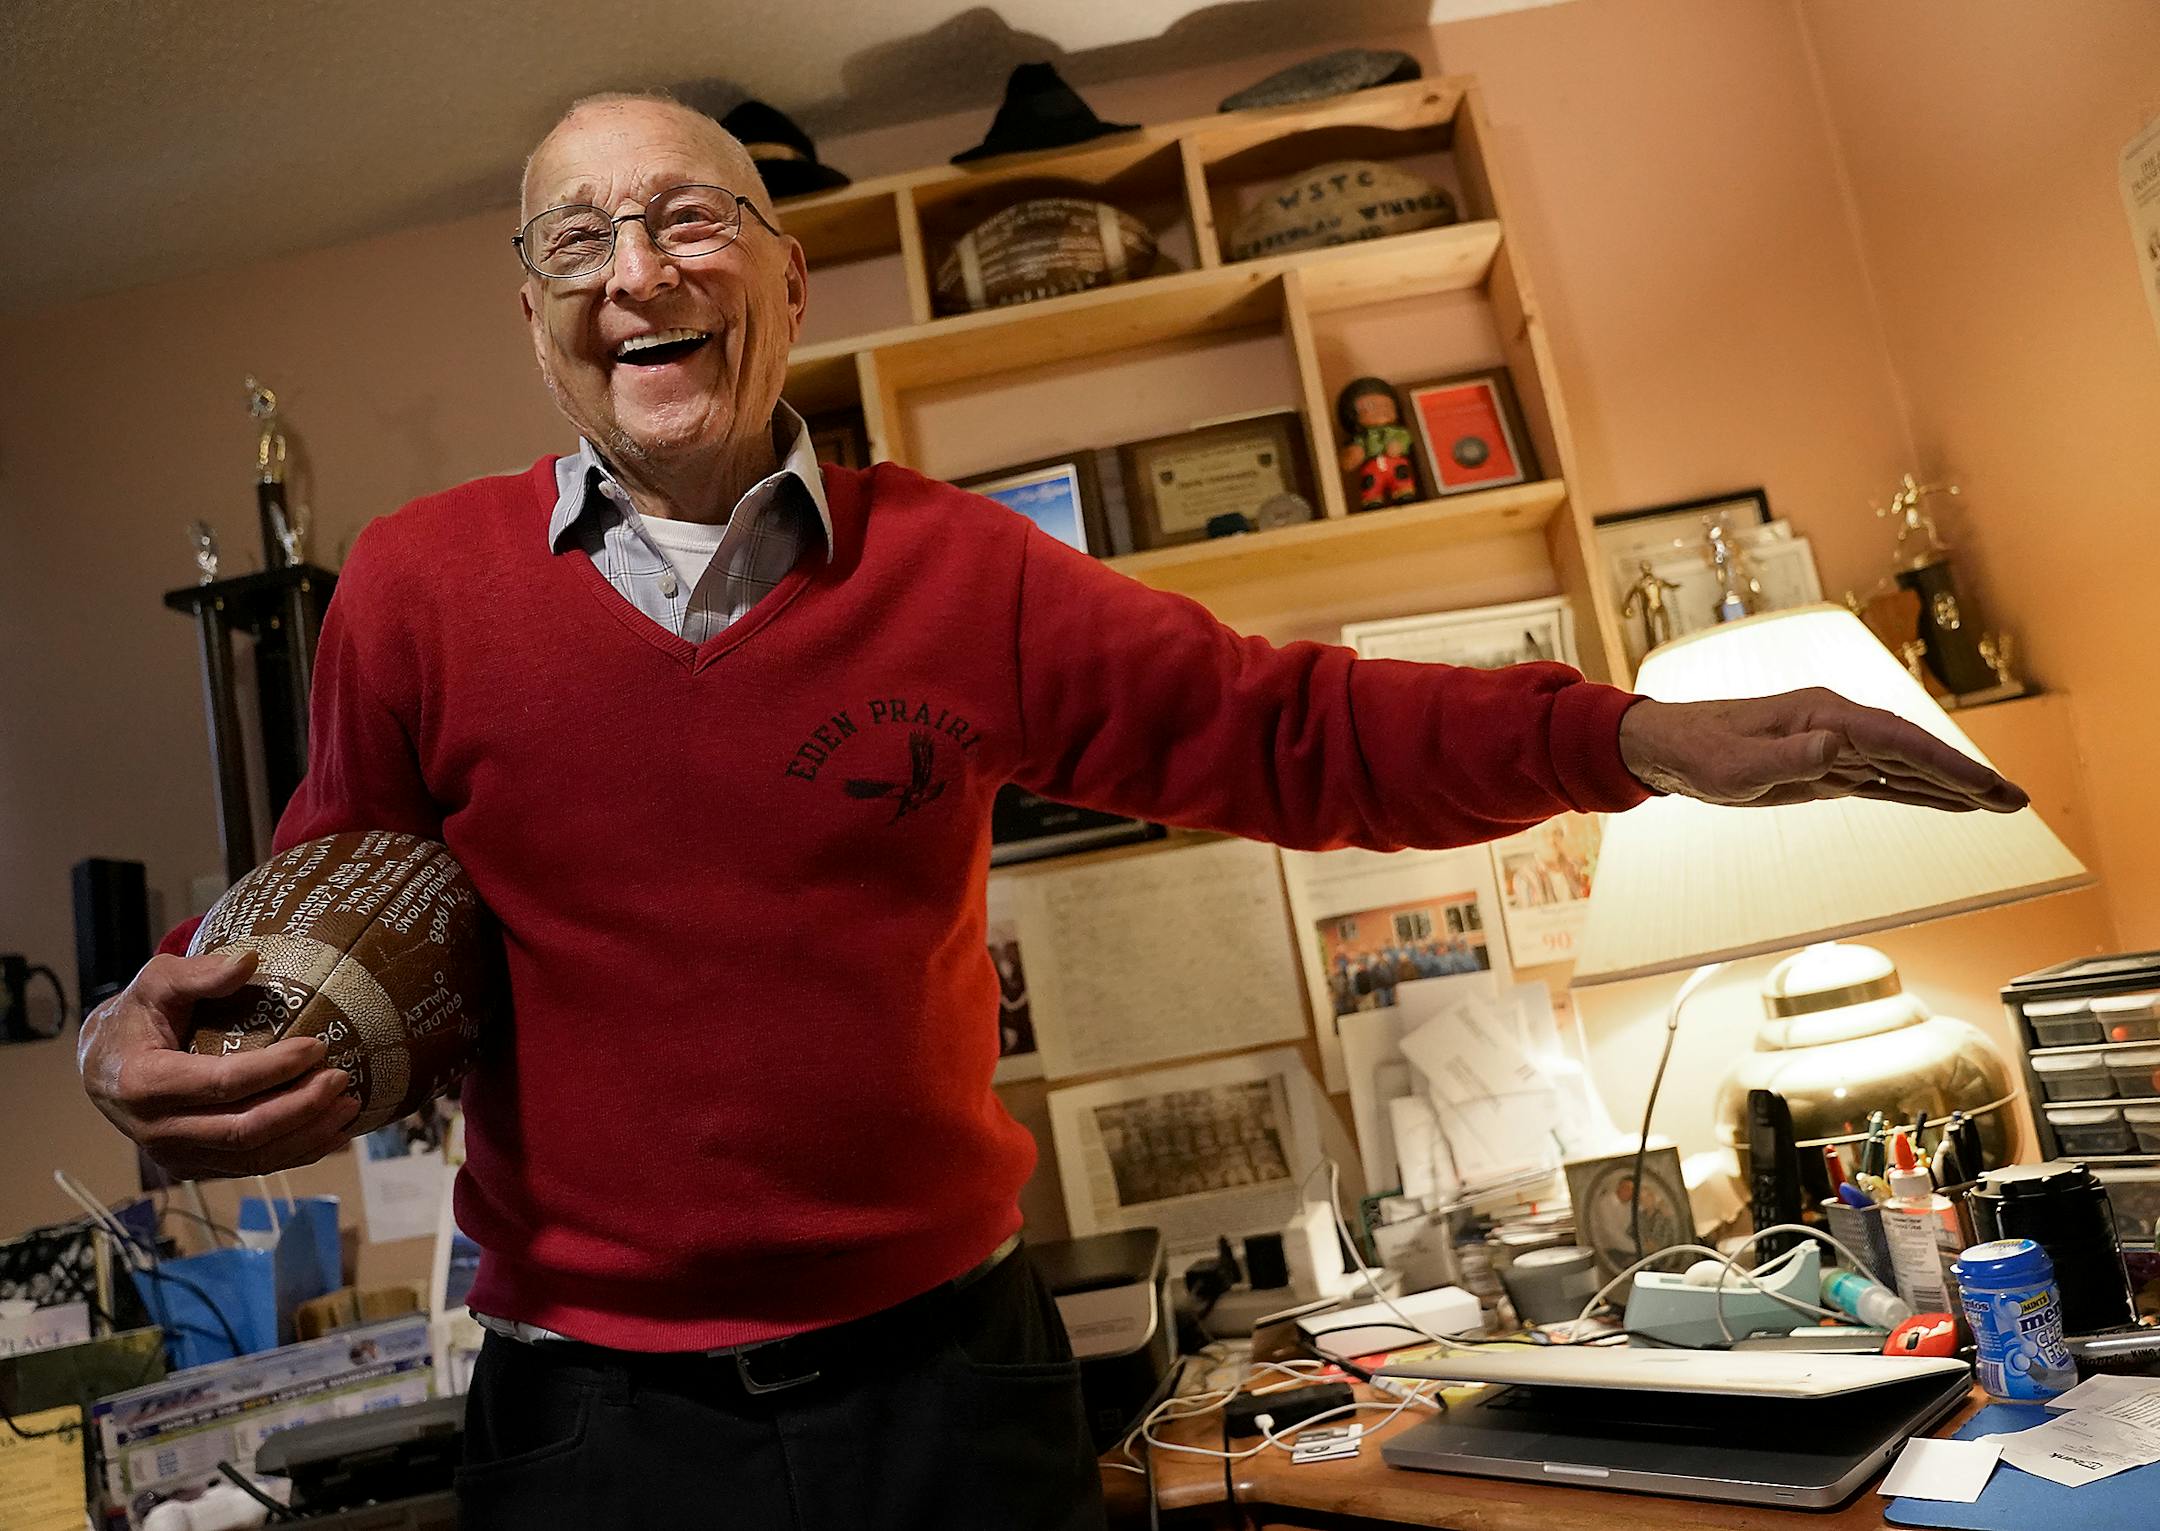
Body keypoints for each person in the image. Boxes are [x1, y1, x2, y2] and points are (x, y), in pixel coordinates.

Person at [76, 93, 2030, 1531]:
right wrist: (131, 1021)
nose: (639, 273)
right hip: (595, 1432)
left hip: (954, 1389)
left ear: (784, 271)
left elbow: (1294, 733)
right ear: (533, 310)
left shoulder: (962, 577)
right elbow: (320, 900)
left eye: (688, 220)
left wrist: (1636, 738)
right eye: (579, 242)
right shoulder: (416, 589)